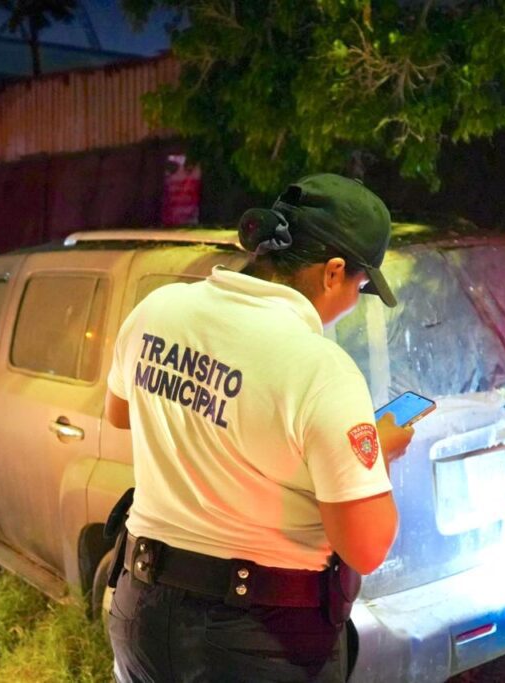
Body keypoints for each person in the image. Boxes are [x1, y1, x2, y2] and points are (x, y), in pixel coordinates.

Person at [104, 173, 413, 681]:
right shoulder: (320, 368)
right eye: (360, 288)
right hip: (261, 637)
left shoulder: (158, 309)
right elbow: (366, 547)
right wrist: (374, 456)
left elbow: (121, 413)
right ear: (334, 272)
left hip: (143, 611)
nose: (354, 301)